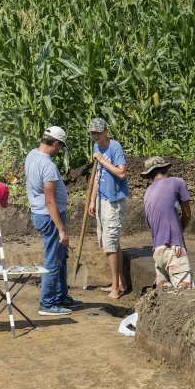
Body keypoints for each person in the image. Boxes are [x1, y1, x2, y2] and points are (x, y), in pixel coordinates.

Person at [25, 126, 82, 316]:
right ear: (55, 143)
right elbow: (50, 201)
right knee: (52, 258)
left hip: (40, 213)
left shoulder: (32, 155)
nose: (59, 151)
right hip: (49, 217)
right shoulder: (47, 166)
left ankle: (60, 296)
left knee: (60, 256)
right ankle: (47, 304)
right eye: (60, 147)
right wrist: (62, 230)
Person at [87, 117, 129, 299]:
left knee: (110, 245)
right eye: (92, 133)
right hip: (101, 200)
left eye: (98, 132)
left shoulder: (114, 147)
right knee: (108, 242)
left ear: (105, 131)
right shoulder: (96, 147)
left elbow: (121, 173)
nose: (95, 136)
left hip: (114, 201)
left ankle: (115, 288)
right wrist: (92, 199)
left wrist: (102, 160)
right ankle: (120, 283)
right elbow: (97, 175)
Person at [141, 157, 195, 289]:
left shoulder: (147, 193)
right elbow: (187, 214)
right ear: (167, 169)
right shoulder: (177, 182)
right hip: (173, 249)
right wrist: (177, 234)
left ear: (149, 176)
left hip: (157, 252)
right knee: (186, 296)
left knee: (166, 298)